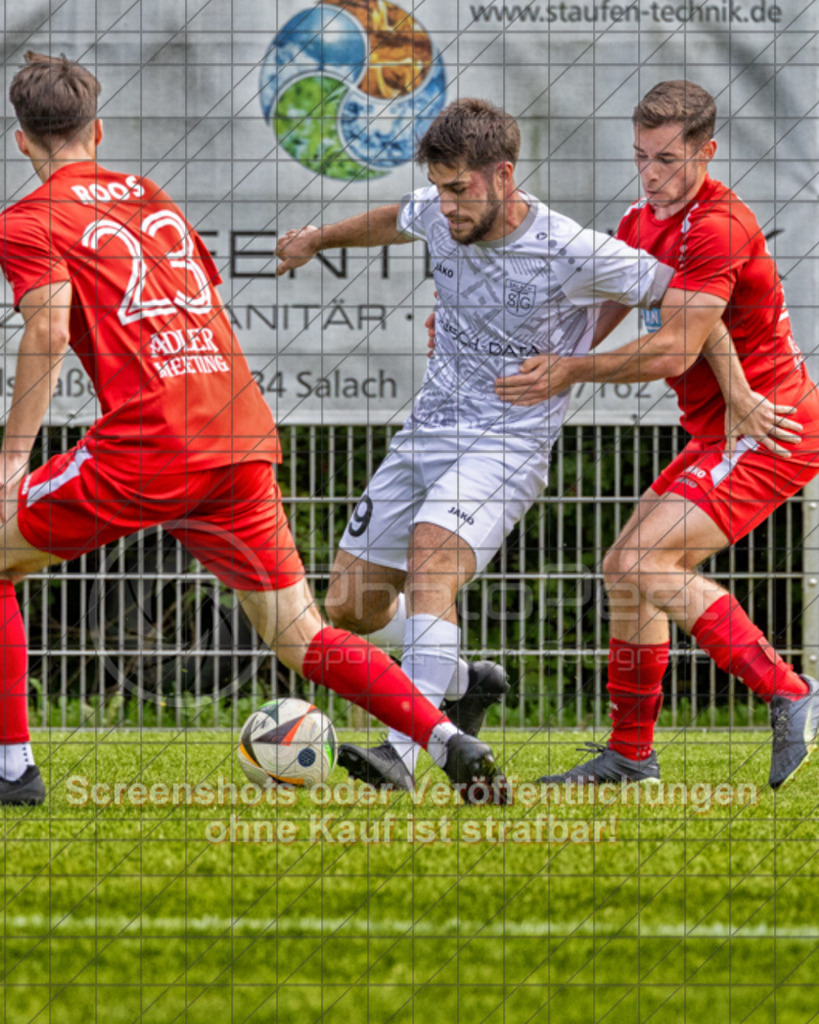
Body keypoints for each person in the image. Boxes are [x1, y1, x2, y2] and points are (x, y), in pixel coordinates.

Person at [0, 52, 504, 806]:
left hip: (151, 442)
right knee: (301, 637)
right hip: (234, 433)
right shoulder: (149, 199)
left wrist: (13, 454)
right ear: (96, 131)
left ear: (21, 142)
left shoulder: (28, 219)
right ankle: (447, 739)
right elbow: (196, 301)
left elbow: (47, 329)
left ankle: (13, 771)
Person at [275, 98, 706, 791]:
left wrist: (584, 353)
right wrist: (317, 239)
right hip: (425, 434)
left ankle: (402, 752)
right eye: (440, 189)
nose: (444, 206)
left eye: (457, 190)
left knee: (430, 561)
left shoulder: (568, 247)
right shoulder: (441, 214)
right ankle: (455, 678)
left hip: (505, 444)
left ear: (502, 175)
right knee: (351, 604)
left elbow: (686, 303)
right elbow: (395, 218)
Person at [495, 80, 819, 790]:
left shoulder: (718, 226)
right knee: (624, 570)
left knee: (644, 564)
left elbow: (675, 347)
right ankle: (630, 755)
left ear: (705, 150)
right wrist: (524, 348)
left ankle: (788, 691)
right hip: (718, 429)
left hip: (769, 426)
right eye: (641, 156)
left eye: (667, 159)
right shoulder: (643, 218)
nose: (651, 173)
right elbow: (606, 303)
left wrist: (567, 371)